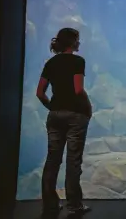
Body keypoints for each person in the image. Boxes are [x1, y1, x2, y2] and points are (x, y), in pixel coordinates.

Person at [36, 27, 92, 218]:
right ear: (72, 42)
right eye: (77, 39)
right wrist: (88, 106)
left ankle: (50, 205)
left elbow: (39, 92)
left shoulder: (50, 63)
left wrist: (52, 107)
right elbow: (78, 90)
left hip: (55, 115)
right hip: (75, 115)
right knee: (73, 161)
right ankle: (74, 205)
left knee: (52, 160)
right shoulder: (78, 61)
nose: (79, 42)